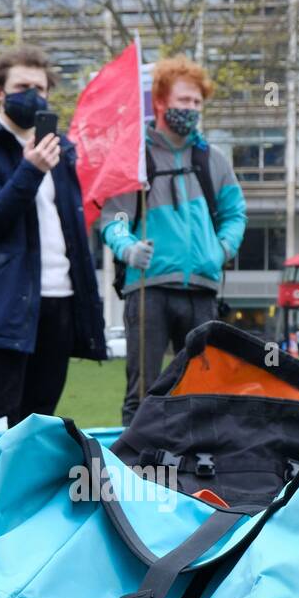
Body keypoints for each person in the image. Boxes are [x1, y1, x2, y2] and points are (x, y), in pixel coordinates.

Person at [0, 45, 107, 434]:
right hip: (8, 301)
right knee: (1, 418)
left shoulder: (62, 151)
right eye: (22, 86)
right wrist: (29, 169)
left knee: (41, 417)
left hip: (61, 300)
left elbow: (73, 227)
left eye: (40, 89)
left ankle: (30, 493)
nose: (33, 96)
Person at [101, 56, 247, 424]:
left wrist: (222, 249)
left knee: (202, 389)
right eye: (185, 101)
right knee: (142, 392)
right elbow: (112, 218)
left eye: (198, 102)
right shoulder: (134, 159)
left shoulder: (213, 159)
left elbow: (235, 213)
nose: (192, 109)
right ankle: (135, 471)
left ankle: (192, 471)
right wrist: (127, 247)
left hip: (202, 287)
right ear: (161, 102)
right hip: (149, 287)